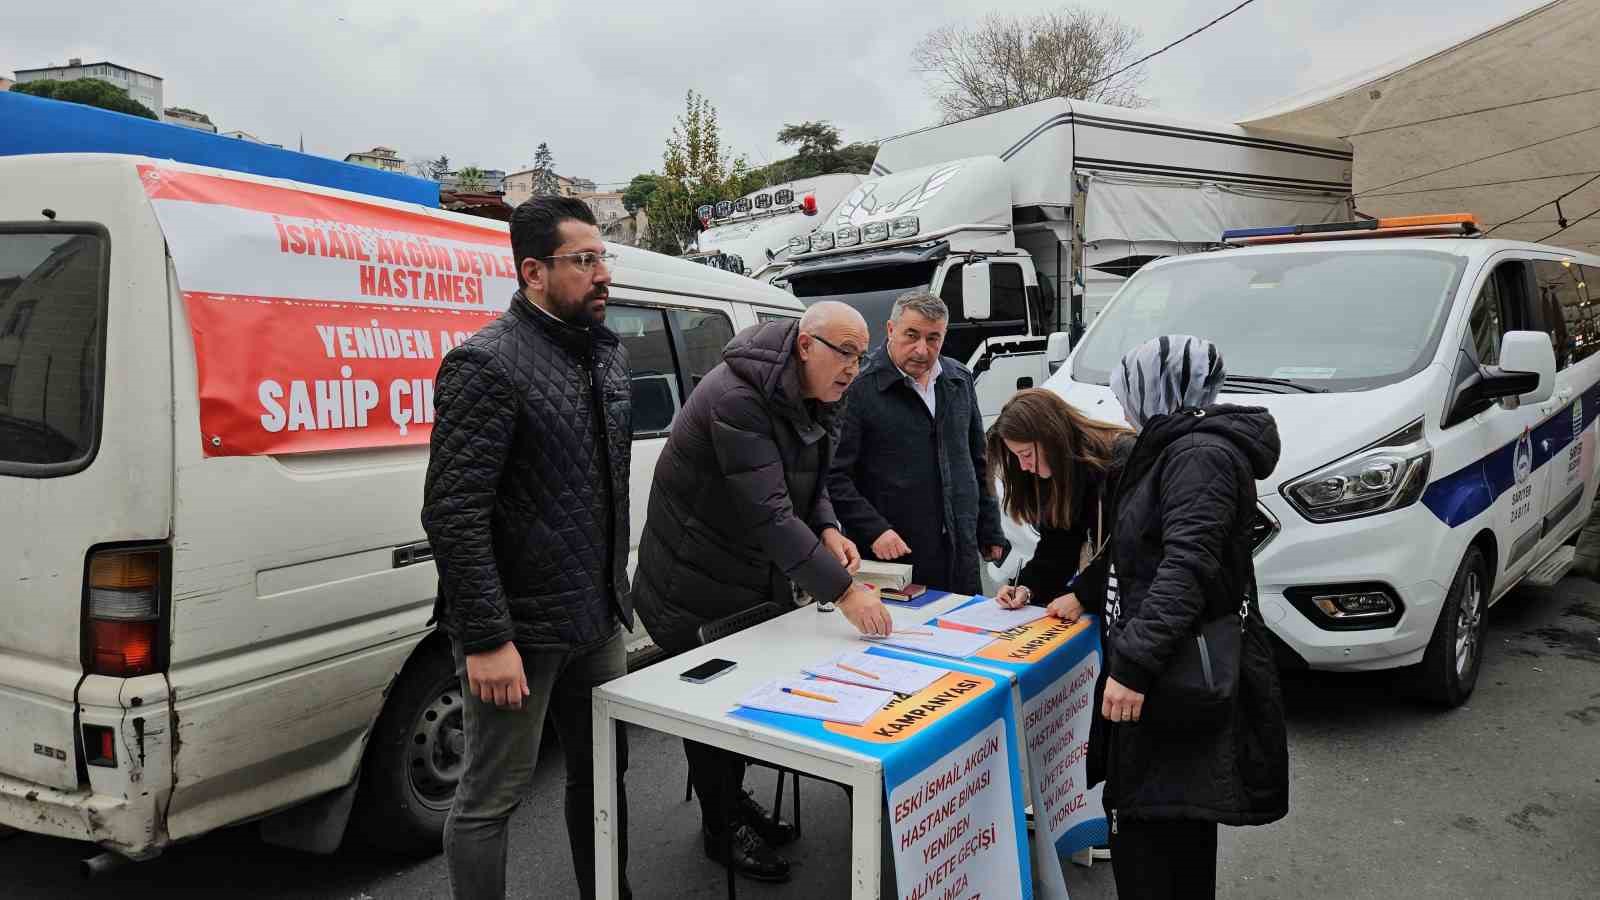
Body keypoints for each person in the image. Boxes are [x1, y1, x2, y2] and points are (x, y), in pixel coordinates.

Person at [634, 301, 894, 882]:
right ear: (806, 346)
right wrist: (847, 591)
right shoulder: (737, 398)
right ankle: (721, 828)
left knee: (748, 695)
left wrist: (827, 527)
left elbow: (812, 475)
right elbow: (771, 514)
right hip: (690, 577)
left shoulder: (816, 390)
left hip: (746, 574)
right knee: (714, 708)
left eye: (861, 354)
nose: (854, 367)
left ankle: (731, 800)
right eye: (845, 353)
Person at [421, 196, 633, 900]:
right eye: (586, 260)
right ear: (534, 271)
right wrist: (485, 638)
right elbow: (453, 515)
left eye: (605, 257)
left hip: (597, 617)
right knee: (491, 796)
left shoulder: (605, 357)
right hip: (521, 630)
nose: (603, 274)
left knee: (601, 773)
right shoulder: (485, 365)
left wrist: (614, 600)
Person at [1093, 335, 1289, 899]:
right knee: (1175, 827)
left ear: (1156, 388)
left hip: (1171, 674)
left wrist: (1132, 665)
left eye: (1127, 391)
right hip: (1170, 665)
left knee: (1157, 833)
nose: (1124, 408)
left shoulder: (1196, 454)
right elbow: (1138, 551)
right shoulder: (1178, 446)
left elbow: (1186, 566)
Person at [829, 291, 1007, 594]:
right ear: (890, 330)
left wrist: (989, 528)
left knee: (963, 635)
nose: (922, 350)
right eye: (911, 335)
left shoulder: (959, 379)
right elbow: (834, 477)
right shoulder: (859, 388)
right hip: (894, 555)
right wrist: (874, 530)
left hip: (959, 552)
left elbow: (977, 462)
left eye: (933, 338)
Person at [987, 388, 1131, 621]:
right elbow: (1057, 549)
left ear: (1050, 438)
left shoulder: (1120, 461)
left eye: (1026, 454)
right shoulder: (1060, 472)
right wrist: (1026, 588)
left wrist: (1083, 595)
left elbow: (1133, 549)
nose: (1024, 466)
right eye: (1017, 457)